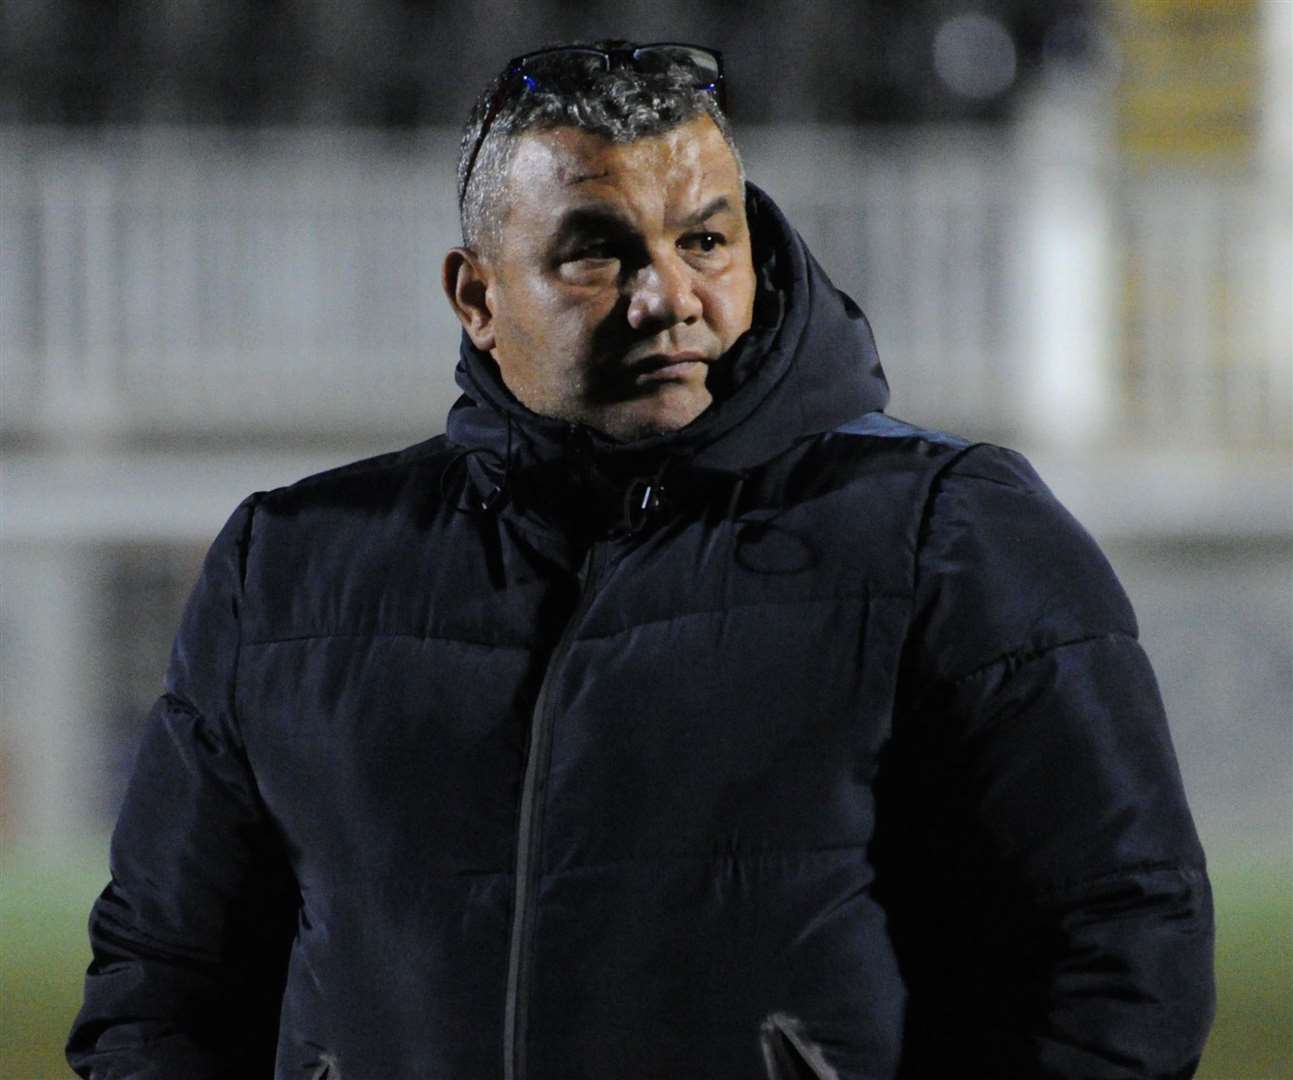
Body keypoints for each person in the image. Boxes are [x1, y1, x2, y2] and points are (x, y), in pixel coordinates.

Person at [68, 41, 1214, 1080]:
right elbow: (162, 984)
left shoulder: (951, 535)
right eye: (596, 254)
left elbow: (1116, 950)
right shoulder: (294, 567)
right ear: (476, 295)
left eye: (706, 239)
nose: (669, 297)